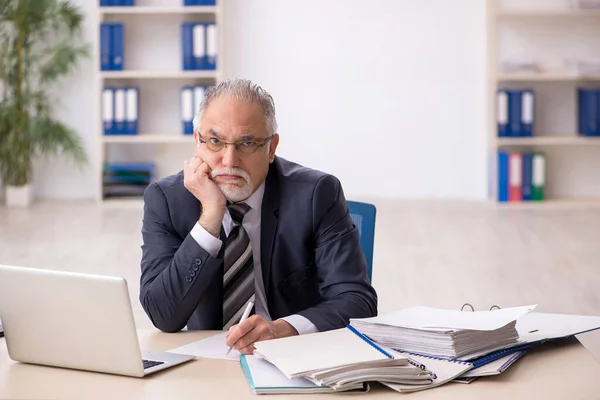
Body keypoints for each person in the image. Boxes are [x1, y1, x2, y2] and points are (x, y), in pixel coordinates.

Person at [139, 78, 377, 355]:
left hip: (294, 355)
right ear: (197, 142)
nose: (229, 160)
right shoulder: (166, 199)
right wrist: (211, 217)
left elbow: (357, 301)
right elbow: (163, 315)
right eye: (215, 141)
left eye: (247, 143)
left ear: (271, 148)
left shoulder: (316, 194)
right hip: (206, 360)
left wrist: (284, 329)